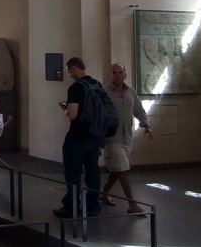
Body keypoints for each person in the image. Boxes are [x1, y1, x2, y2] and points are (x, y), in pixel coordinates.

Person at [101, 62, 154, 214]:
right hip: (112, 137)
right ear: (111, 75)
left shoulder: (130, 92)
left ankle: (104, 194)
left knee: (117, 170)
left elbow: (138, 109)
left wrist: (146, 125)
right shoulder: (104, 92)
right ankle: (132, 204)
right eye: (114, 72)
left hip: (126, 137)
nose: (117, 75)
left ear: (125, 74)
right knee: (123, 169)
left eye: (120, 72)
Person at [54, 57, 102, 218]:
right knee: (93, 171)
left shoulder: (76, 88)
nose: (70, 75)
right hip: (95, 137)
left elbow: (73, 114)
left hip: (77, 137)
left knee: (72, 173)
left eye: (69, 72)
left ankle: (71, 207)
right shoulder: (97, 85)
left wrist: (64, 109)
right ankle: (92, 206)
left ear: (74, 68)